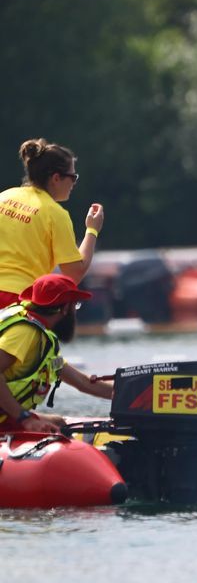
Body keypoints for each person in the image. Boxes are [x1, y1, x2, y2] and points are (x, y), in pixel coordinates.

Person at [0, 274, 114, 432]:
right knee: (55, 426)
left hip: (6, 417)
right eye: (76, 305)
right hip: (10, 419)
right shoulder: (26, 333)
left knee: (59, 422)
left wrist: (132, 394)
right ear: (66, 308)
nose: (75, 310)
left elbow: (84, 383)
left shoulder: (41, 337)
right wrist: (24, 418)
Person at [0, 138, 105, 307]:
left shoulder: (4, 196)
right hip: (17, 299)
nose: (74, 183)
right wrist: (92, 230)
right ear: (56, 178)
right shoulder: (55, 214)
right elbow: (74, 274)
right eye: (73, 177)